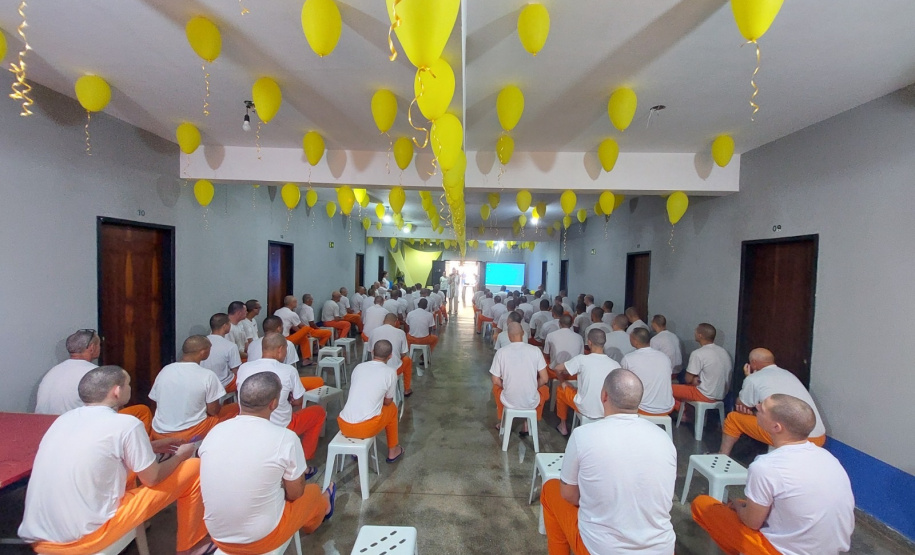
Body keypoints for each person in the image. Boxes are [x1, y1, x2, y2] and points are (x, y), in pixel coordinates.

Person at [18, 366, 212, 555]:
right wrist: (181, 456)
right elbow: (152, 479)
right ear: (117, 391)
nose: (130, 388)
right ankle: (191, 546)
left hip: (40, 537)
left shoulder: (62, 420)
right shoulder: (126, 424)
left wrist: (149, 447)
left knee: (127, 469)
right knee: (193, 467)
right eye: (128, 384)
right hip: (84, 538)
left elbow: (100, 454)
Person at [692, 394, 854, 555]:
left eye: (761, 410)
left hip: (782, 551)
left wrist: (737, 505)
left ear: (776, 427)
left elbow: (752, 523)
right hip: (829, 550)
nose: (756, 409)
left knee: (702, 504)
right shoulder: (828, 458)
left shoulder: (766, 466)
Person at [542, 369, 676, 555]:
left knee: (550, 490)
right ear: (639, 400)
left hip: (600, 549)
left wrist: (597, 500)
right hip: (662, 549)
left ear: (604, 395)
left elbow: (569, 495)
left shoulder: (584, 435)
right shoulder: (664, 439)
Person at [199, 372, 335, 554]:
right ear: (274, 404)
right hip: (262, 539)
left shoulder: (215, 433)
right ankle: (324, 507)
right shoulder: (285, 437)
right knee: (312, 493)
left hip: (218, 536)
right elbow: (295, 494)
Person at [34, 329, 152, 434]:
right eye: (100, 344)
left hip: (45, 428)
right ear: (92, 347)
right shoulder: (94, 374)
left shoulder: (53, 372)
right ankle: (142, 453)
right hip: (78, 427)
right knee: (142, 411)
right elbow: (110, 407)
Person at [236, 334, 326, 462]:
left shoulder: (243, 368)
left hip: (248, 424)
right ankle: (304, 459)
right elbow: (298, 400)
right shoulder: (288, 370)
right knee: (318, 412)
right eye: (285, 350)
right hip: (282, 426)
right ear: (280, 349)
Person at [719, 349, 826, 456]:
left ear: (753, 363)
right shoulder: (788, 374)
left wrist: (749, 378)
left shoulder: (754, 379)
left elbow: (741, 405)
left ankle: (722, 455)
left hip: (791, 438)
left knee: (733, 418)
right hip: (818, 437)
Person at [149, 336, 239, 442]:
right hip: (191, 432)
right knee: (237, 409)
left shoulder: (165, 370)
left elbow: (156, 399)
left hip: (159, 432)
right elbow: (213, 411)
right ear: (203, 352)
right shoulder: (207, 375)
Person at [338, 340, 405, 462]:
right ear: (390, 356)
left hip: (343, 424)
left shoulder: (359, 367)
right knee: (393, 409)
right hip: (365, 428)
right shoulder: (390, 373)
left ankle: (355, 450)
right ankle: (393, 450)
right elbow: (388, 402)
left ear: (373, 352)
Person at [554, 329, 621, 437]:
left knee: (561, 389)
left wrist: (563, 382)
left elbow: (557, 369)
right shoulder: (615, 365)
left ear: (589, 342)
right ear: (604, 342)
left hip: (585, 407)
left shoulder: (581, 360)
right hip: (607, 409)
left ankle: (563, 426)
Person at [489, 323, 549, 434]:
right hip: (531, 401)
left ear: (508, 336)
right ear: (523, 334)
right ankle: (528, 422)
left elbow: (495, 380)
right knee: (544, 390)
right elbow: (545, 379)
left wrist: (505, 386)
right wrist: (533, 386)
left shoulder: (501, 352)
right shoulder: (535, 351)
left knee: (496, 388)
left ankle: (503, 421)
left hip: (509, 400)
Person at [673, 323, 732, 411]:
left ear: (700, 335)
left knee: (666, 388)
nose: (694, 334)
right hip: (721, 395)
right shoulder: (724, 352)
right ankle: (688, 413)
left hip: (704, 394)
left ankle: (684, 414)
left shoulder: (698, 353)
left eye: (695, 332)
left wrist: (693, 379)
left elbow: (688, 379)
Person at [620, 328, 675, 416]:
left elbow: (623, 384)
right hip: (667, 407)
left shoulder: (629, 359)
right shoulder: (664, 357)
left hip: (643, 408)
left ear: (635, 341)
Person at [368, 313, 413, 396]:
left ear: (383, 321)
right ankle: (406, 389)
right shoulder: (400, 332)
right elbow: (403, 353)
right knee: (407, 360)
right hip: (394, 370)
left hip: (376, 369)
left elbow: (370, 350)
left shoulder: (373, 331)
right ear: (396, 322)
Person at [201, 313, 242, 393]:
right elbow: (236, 371)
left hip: (203, 383)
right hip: (223, 384)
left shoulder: (200, 342)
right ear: (225, 326)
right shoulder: (230, 346)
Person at [292, 294, 332, 360]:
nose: (312, 301)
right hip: (308, 330)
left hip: (299, 329)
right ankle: (319, 346)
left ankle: (315, 345)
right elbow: (311, 323)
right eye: (312, 300)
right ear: (308, 300)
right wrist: (317, 328)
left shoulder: (298, 307)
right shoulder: (309, 309)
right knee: (328, 332)